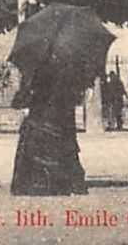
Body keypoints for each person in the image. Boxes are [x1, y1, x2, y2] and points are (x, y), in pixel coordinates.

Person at [10, 66, 89, 196]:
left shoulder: (37, 60)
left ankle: (42, 183)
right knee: (62, 144)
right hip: (58, 111)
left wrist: (24, 102)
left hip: (43, 112)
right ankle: (65, 182)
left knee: (38, 145)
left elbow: (28, 83)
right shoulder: (67, 61)